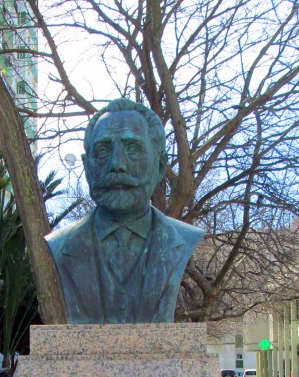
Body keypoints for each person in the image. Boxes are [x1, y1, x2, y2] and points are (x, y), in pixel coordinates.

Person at [45, 98, 205, 323]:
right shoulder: (62, 245)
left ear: (159, 166)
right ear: (87, 167)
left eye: (133, 149)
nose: (116, 163)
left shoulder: (182, 240)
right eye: (103, 151)